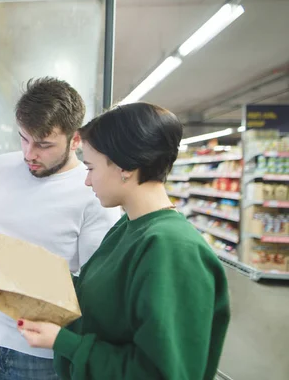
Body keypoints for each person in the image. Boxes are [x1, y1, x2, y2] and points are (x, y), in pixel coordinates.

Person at [17, 102, 231, 380]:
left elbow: (162, 373)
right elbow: (108, 300)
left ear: (125, 167)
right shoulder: (130, 225)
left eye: (91, 167)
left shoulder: (172, 250)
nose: (87, 181)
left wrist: (64, 342)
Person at [0, 77, 120, 380]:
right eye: (24, 138)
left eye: (44, 145)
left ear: (75, 141)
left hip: (41, 358)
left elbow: (94, 288)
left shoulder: (95, 193)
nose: (29, 153)